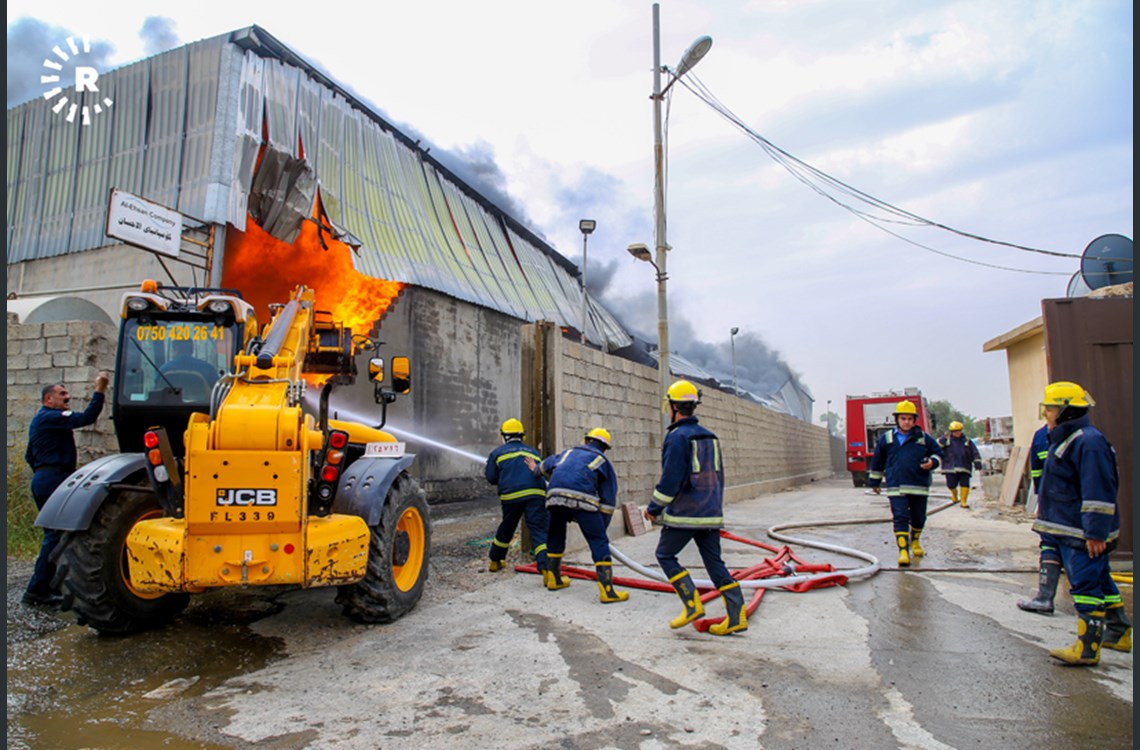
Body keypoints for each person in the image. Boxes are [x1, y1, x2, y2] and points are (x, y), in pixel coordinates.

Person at [1034, 381, 1131, 665]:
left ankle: (1087, 649)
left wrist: (1095, 532)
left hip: (1082, 532)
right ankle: (1119, 632)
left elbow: (1098, 491)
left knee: (1085, 586)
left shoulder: (1088, 442)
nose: (1047, 414)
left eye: (1050, 408)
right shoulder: (1069, 438)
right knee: (1101, 579)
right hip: (1071, 528)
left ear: (1065, 409)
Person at [645, 380, 746, 636]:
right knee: (714, 563)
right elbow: (717, 475)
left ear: (673, 407)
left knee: (665, 555)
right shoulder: (710, 436)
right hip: (711, 513)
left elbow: (671, 479)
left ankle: (692, 604)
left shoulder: (677, 437)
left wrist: (654, 508)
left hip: (686, 514)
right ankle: (737, 616)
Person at [22, 372, 111, 606]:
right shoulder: (51, 416)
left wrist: (43, 472)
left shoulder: (42, 420)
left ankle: (49, 585)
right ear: (48, 399)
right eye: (62, 394)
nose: (67, 397)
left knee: (57, 535)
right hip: (52, 478)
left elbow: (29, 455)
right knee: (55, 535)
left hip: (46, 477)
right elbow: (87, 417)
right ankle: (36, 591)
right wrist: (100, 389)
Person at [532, 427, 627, 603]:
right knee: (598, 542)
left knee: (555, 535)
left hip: (554, 496)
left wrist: (534, 467)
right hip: (584, 499)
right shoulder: (603, 461)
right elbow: (607, 500)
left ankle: (553, 579)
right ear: (605, 447)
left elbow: (542, 468)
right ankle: (607, 591)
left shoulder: (567, 453)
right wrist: (601, 527)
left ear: (586, 440)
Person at [868, 400, 942, 566]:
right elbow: (878, 460)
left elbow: (938, 453)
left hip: (918, 485)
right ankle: (903, 551)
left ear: (914, 420)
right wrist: (875, 481)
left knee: (918, 517)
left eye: (909, 419)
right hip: (896, 485)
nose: (906, 422)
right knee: (900, 517)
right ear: (897, 420)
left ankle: (915, 541)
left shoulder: (924, 438)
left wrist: (932, 462)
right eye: (903, 418)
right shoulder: (886, 439)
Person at [484, 418, 549, 576]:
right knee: (539, 529)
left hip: (511, 496)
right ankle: (548, 571)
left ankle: (495, 561)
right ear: (522, 436)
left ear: (504, 436)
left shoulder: (497, 453)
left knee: (507, 527)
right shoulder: (533, 452)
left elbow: (491, 478)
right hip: (536, 494)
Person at [1017, 421, 1063, 614]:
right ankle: (1044, 597)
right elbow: (1036, 471)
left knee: (1082, 559)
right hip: (1050, 503)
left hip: (1069, 506)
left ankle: (1114, 619)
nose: (1045, 413)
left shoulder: (1085, 439)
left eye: (1050, 408)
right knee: (1049, 545)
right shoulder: (1041, 435)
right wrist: (1041, 498)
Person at [937, 420, 982, 508]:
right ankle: (954, 494)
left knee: (965, 484)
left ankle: (963, 501)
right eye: (955, 431)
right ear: (951, 432)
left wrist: (977, 462)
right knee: (951, 484)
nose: (957, 433)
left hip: (964, 466)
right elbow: (936, 446)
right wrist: (943, 439)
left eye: (959, 431)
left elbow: (974, 452)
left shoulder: (967, 441)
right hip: (950, 467)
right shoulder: (946, 440)